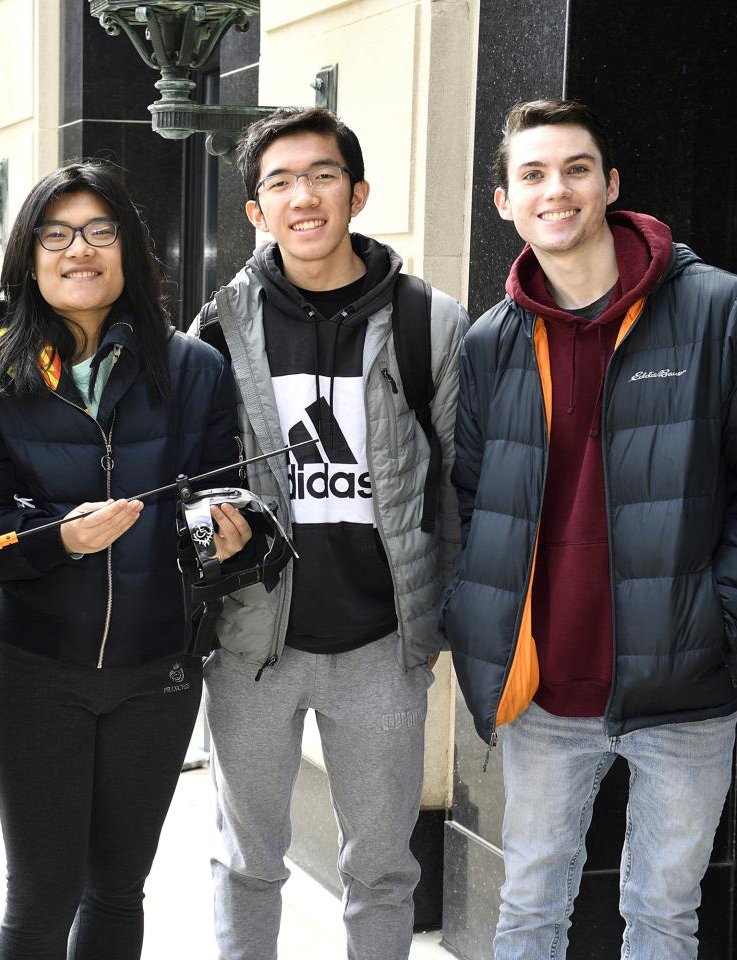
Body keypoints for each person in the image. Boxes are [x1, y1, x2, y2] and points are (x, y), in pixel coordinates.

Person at [442, 98, 737, 959]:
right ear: (503, 201)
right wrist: (479, 623)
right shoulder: (494, 342)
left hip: (684, 692)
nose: (556, 189)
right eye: (532, 174)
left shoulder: (717, 309)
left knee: (662, 914)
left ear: (610, 185)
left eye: (576, 169)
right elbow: (465, 501)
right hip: (542, 691)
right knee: (529, 906)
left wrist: (716, 618)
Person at [0, 160, 249, 960]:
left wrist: (225, 530)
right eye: (56, 235)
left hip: (160, 671)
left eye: (99, 231)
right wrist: (59, 537)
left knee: (116, 892)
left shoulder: (192, 368)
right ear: (28, 256)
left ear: (129, 249)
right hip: (38, 669)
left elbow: (217, 504)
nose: (79, 251)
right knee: (42, 896)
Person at [189, 105, 468, 959]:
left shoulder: (429, 320)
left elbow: (461, 483)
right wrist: (211, 533)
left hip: (382, 648)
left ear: (357, 193)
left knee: (383, 868)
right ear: (255, 212)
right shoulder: (217, 330)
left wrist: (439, 621)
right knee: (248, 862)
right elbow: (195, 486)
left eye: (321, 176)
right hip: (252, 647)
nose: (302, 196)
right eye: (280, 182)